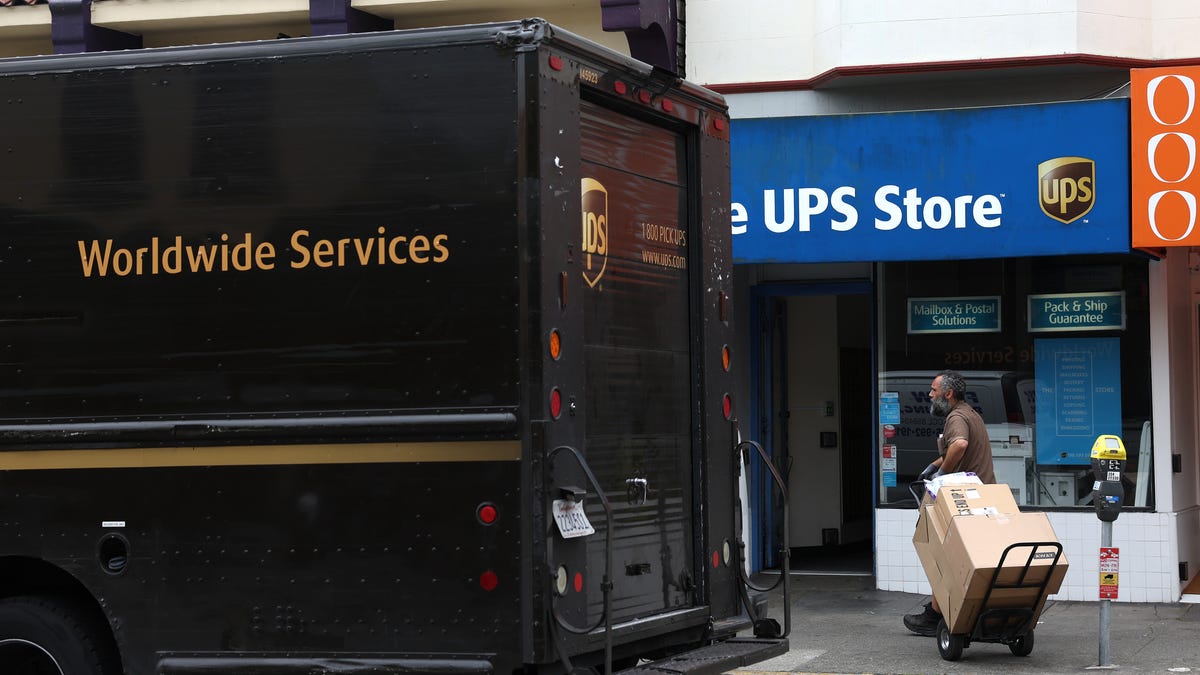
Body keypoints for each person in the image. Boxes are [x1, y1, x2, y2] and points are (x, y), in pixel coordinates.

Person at [902, 369, 996, 637]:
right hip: (982, 499)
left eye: (934, 390)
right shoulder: (970, 413)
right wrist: (933, 465)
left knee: (942, 555)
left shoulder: (956, 417)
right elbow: (955, 450)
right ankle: (943, 610)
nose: (930, 395)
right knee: (956, 557)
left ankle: (936, 614)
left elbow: (960, 445)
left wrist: (941, 477)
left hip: (965, 501)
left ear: (948, 393)